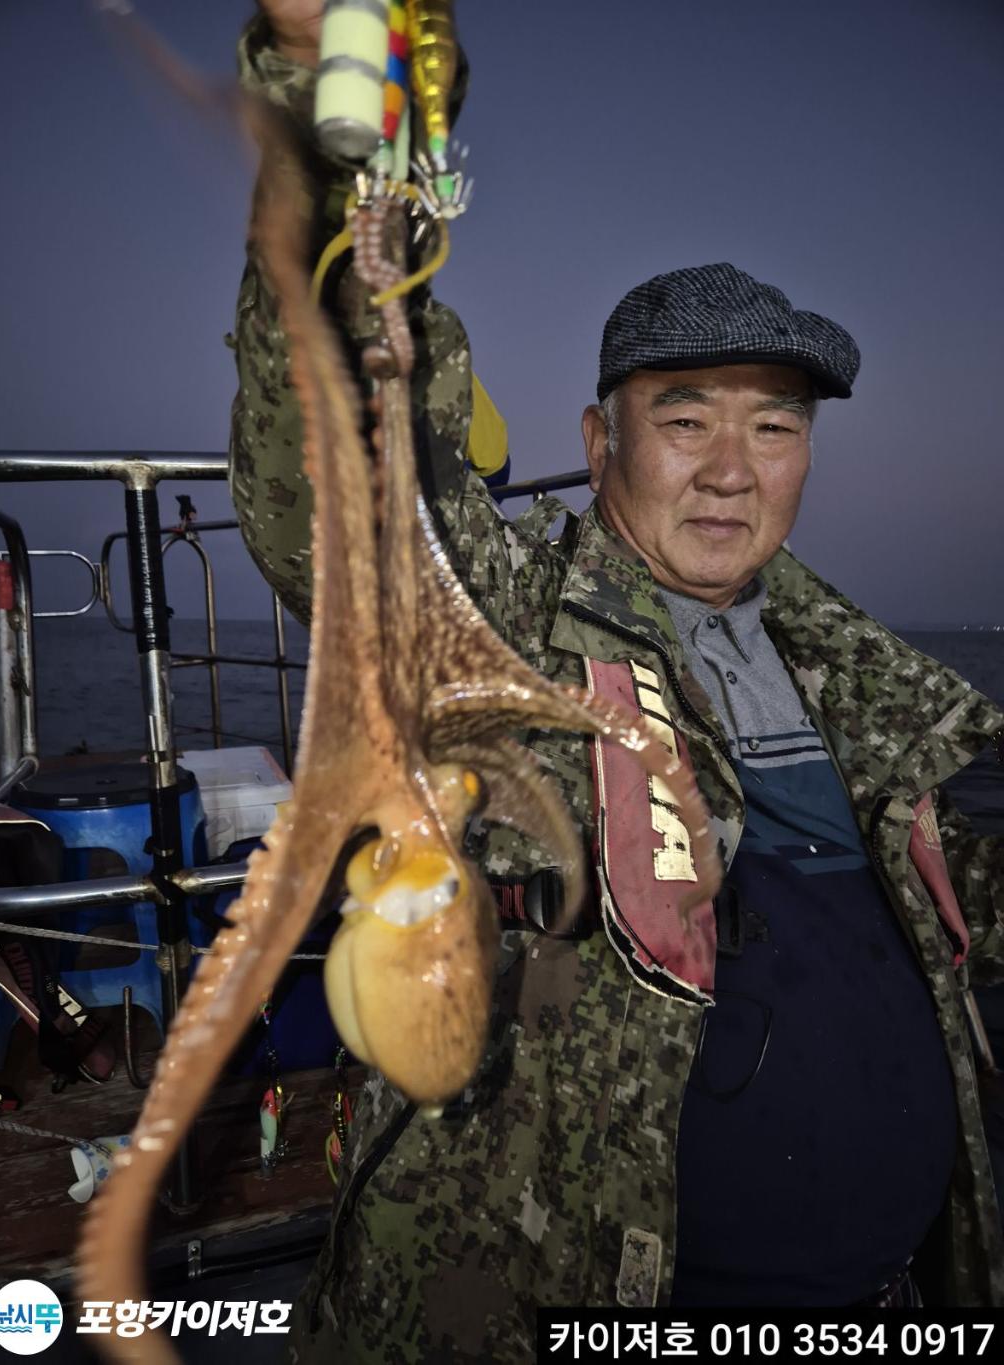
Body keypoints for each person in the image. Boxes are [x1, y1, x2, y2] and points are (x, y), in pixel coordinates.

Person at [230, 7, 1004, 1358]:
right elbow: (337, 476)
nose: (730, 467)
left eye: (773, 426)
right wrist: (343, 138)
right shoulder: (507, 622)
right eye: (686, 417)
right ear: (598, 443)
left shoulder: (870, 678)